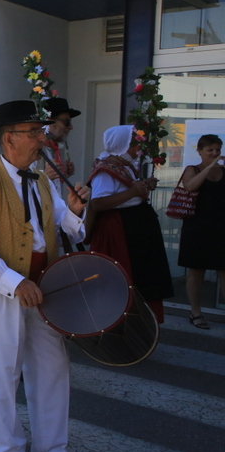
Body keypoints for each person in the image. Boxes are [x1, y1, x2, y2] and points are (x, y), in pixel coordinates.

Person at [0, 100, 93, 452]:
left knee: (53, 366)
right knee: (5, 369)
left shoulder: (45, 182)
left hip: (44, 285)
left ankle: (52, 450)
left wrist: (76, 209)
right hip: (3, 289)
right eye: (33, 132)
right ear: (8, 139)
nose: (41, 138)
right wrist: (15, 282)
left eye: (40, 131)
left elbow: (73, 232)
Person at [86, 125, 174, 323]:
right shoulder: (105, 169)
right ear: (122, 145)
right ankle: (120, 322)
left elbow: (127, 193)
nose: (137, 149)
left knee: (143, 275)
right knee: (125, 277)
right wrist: (134, 192)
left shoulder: (124, 166)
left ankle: (142, 323)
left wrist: (142, 188)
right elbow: (98, 203)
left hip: (134, 225)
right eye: (134, 145)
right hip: (120, 228)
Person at [177, 134, 225, 330]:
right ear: (200, 151)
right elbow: (189, 186)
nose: (214, 154)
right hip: (197, 227)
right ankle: (195, 312)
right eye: (210, 150)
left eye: (217, 150)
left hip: (221, 227)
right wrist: (208, 169)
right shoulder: (193, 169)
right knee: (196, 272)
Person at [41, 97, 80, 184]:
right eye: (66, 122)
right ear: (49, 122)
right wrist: (45, 177)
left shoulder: (56, 149)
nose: (71, 127)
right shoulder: (34, 150)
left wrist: (63, 174)